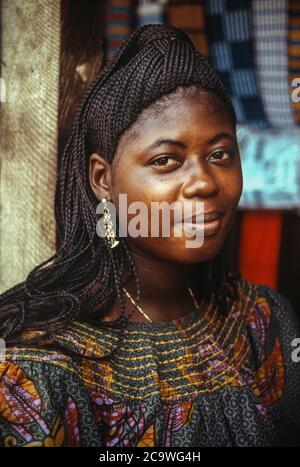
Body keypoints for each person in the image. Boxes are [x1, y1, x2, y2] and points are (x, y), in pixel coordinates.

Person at [0, 24, 299, 447]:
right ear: (103, 180)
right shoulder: (36, 364)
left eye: (220, 154)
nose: (203, 183)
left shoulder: (262, 321)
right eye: (166, 160)